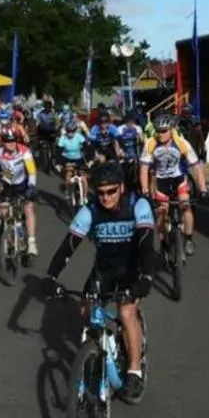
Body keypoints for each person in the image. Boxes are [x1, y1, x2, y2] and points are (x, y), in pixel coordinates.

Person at [42, 161, 155, 402]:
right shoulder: (90, 210)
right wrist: (51, 276)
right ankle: (99, 352)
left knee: (125, 312)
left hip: (132, 267)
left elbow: (146, 244)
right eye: (101, 192)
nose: (105, 198)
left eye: (111, 191)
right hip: (104, 268)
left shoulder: (138, 204)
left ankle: (134, 370)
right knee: (86, 309)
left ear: (122, 188)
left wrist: (147, 277)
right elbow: (68, 246)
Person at [138, 113, 208, 255]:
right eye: (157, 131)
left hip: (178, 180)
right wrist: (145, 189)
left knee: (185, 206)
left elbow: (196, 167)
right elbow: (144, 169)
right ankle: (163, 241)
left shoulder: (181, 143)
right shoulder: (151, 143)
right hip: (161, 182)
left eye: (163, 131)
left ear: (170, 130)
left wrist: (203, 188)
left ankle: (188, 239)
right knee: (161, 212)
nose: (160, 134)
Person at [0, 129, 39, 256]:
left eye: (13, 140)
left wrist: (31, 186)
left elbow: (32, 171)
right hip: (7, 185)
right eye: (7, 141)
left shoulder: (24, 151)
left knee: (28, 209)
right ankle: (11, 236)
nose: (11, 143)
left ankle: (31, 242)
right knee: (3, 213)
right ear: (3, 142)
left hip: (23, 184)